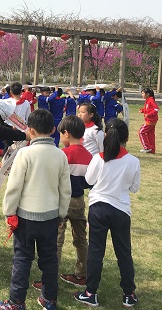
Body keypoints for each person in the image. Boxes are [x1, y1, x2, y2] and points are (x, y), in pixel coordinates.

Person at [0, 109, 71, 310]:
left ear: (30, 130)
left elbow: (14, 187)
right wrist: (61, 214)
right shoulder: (60, 155)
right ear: (53, 129)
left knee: (22, 259)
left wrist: (9, 212)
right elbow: (65, 190)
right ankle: (49, 299)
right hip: (50, 216)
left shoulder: (25, 154)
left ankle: (16, 301)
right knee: (49, 259)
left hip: (26, 218)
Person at [74, 118, 140, 308]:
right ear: (126, 137)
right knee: (124, 252)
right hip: (121, 210)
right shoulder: (133, 161)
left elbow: (89, 179)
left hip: (99, 208)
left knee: (96, 251)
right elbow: (134, 188)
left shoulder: (99, 158)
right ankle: (129, 294)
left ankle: (91, 293)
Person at [55, 115, 92, 289]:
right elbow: (89, 182)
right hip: (79, 200)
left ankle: (51, 275)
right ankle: (82, 273)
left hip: (62, 200)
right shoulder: (89, 156)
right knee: (81, 238)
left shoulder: (63, 154)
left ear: (66, 133)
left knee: (57, 238)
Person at [138, 88, 159, 154]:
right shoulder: (148, 101)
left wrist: (149, 114)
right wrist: (142, 110)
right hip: (151, 120)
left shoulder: (151, 101)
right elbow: (148, 109)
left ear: (148, 94)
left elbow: (156, 109)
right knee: (150, 135)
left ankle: (147, 147)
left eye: (143, 93)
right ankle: (152, 150)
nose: (142, 95)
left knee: (141, 132)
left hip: (150, 120)